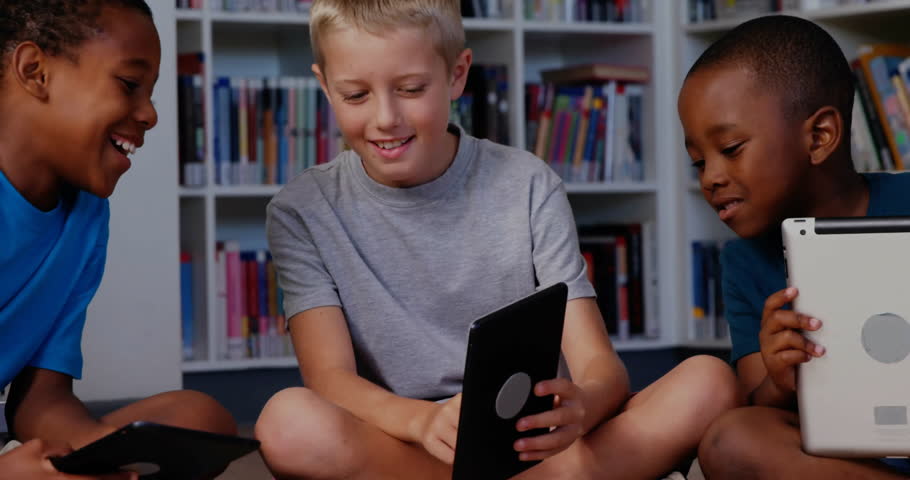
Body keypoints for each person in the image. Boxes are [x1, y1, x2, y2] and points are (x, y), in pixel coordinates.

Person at [254, 1, 740, 479]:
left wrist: (582, 409)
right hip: (404, 441)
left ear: (457, 74)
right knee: (287, 422)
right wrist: (421, 421)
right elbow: (329, 380)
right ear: (324, 86)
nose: (385, 118)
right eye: (356, 95)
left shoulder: (528, 184)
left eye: (411, 89)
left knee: (710, 380)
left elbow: (601, 368)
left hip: (532, 441)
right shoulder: (303, 209)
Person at [0, 1, 237, 478]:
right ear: (35, 71)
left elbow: (41, 397)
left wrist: (94, 453)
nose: (149, 114)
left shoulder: (87, 217)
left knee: (200, 420)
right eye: (129, 85)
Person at [678, 14, 910, 479]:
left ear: (819, 136)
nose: (711, 177)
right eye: (699, 162)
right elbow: (758, 403)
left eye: (731, 148)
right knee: (732, 438)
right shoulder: (744, 263)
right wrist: (779, 378)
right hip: (851, 461)